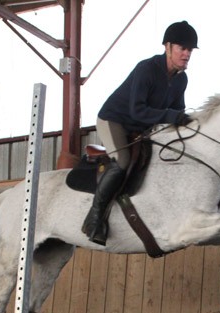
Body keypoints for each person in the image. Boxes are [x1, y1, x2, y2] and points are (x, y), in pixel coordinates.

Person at [82, 20, 198, 246]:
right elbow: (138, 110)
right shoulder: (147, 69)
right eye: (182, 48)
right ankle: (93, 218)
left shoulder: (181, 79)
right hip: (114, 120)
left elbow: (177, 110)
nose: (186, 54)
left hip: (139, 127)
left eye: (190, 50)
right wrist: (171, 116)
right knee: (123, 160)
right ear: (167, 47)